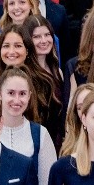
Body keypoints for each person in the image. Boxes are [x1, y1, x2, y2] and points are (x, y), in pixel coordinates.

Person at [0, 68, 59, 185]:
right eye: (10, 93)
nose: (17, 100)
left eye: (22, 94)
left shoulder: (40, 134)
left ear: (29, 96)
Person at [22, 15, 66, 145]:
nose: (44, 40)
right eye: (36, 37)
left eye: (47, 35)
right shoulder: (25, 73)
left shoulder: (57, 70)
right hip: (34, 140)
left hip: (57, 141)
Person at [0, 0, 41, 77]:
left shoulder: (45, 37)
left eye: (22, 2)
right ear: (6, 9)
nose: (16, 7)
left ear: (31, 5)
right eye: (11, 3)